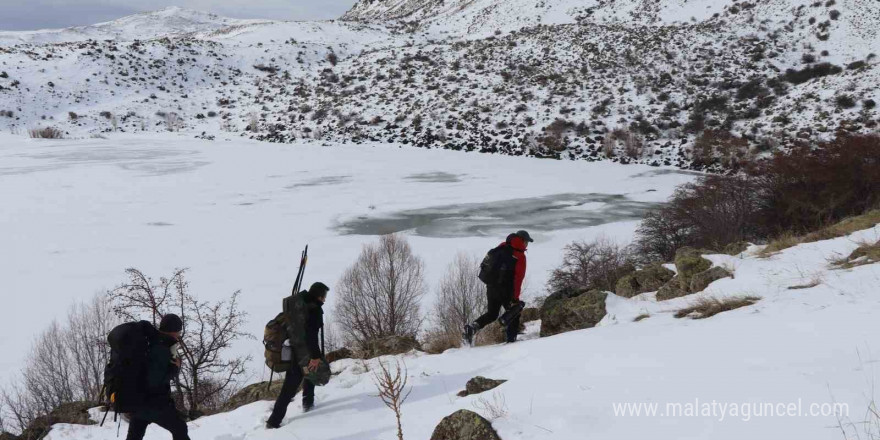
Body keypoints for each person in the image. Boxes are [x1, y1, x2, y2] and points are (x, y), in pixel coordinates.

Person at [266, 282, 329, 429]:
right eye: (324, 296)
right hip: (304, 354)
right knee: (289, 388)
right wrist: (315, 357)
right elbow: (311, 336)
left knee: (308, 375)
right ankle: (273, 422)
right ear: (318, 296)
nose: (324, 300)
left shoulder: (298, 304)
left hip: (294, 348)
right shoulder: (314, 310)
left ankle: (308, 403)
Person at [126, 314, 189, 440]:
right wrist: (175, 368)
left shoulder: (150, 342)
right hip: (154, 403)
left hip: (137, 401)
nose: (179, 335)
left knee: (134, 436)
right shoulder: (161, 348)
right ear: (173, 331)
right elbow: (155, 380)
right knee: (180, 427)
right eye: (178, 331)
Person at [465, 230, 533, 344]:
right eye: (527, 241)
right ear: (522, 240)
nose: (527, 244)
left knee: (492, 314)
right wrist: (515, 298)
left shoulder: (502, 246)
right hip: (506, 289)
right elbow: (518, 279)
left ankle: (472, 328)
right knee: (514, 312)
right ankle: (511, 341)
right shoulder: (520, 256)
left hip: (491, 286)